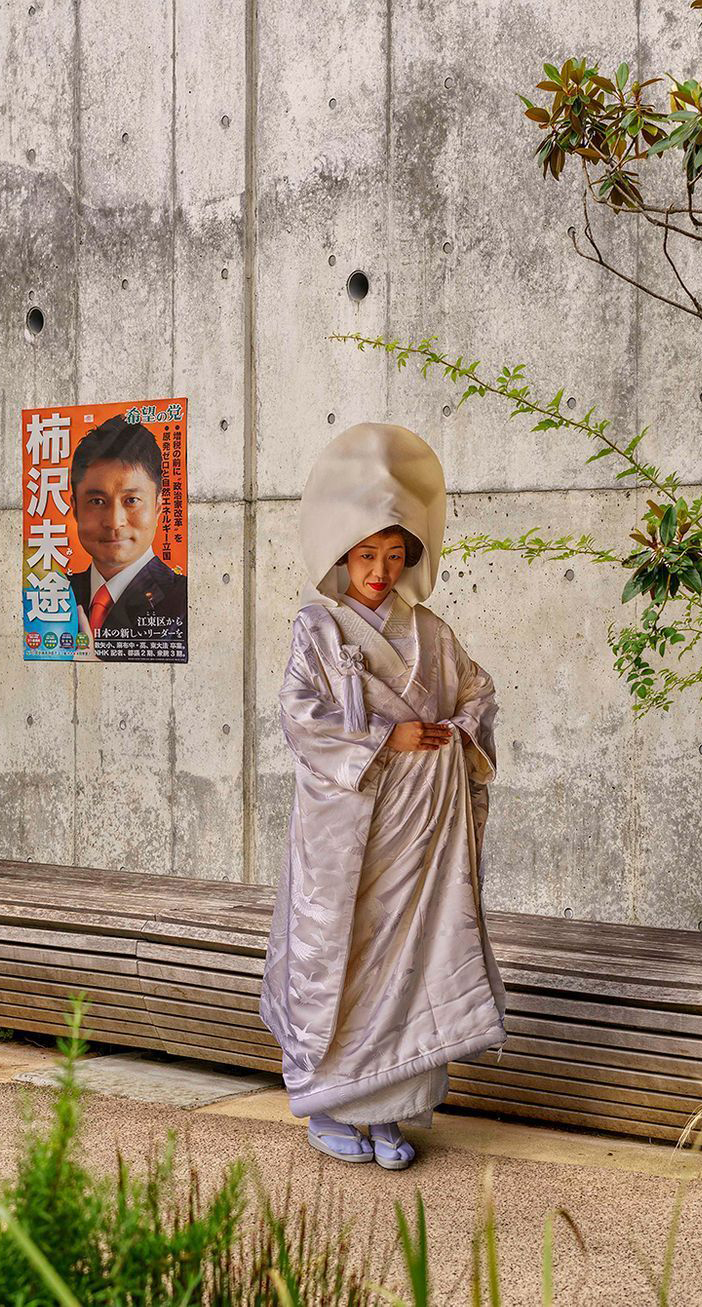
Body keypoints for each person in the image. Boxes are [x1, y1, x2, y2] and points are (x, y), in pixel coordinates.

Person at [258, 421, 508, 1171]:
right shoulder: (316, 628)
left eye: (393, 556)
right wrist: (384, 739)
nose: (378, 570)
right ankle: (332, 1107)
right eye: (366, 555)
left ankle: (393, 1110)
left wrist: (452, 734)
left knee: (415, 957)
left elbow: (477, 695)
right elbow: (299, 716)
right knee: (349, 953)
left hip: (419, 836)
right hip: (349, 835)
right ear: (343, 555)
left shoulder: (432, 632)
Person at [69, 415, 188, 660]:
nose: (114, 522)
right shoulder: (54, 593)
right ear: (75, 508)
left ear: (158, 507)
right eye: (97, 501)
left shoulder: (185, 600)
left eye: (131, 500)